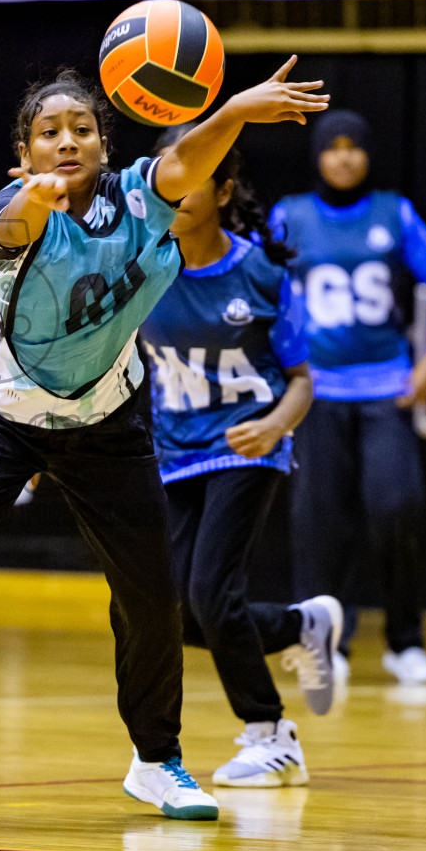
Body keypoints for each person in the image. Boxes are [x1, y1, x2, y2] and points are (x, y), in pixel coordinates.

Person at [0, 60, 329, 820]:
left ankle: (157, 761)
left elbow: (186, 162)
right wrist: (34, 200)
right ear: (25, 151)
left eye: (82, 128)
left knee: (153, 597)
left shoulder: (143, 198)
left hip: (105, 423)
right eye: (49, 132)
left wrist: (239, 108)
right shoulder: (12, 210)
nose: (67, 141)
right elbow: (9, 229)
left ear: (105, 146)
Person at [140, 126, 342, 789]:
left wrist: (274, 427)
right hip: (175, 453)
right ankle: (300, 625)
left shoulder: (260, 272)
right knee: (172, 611)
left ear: (225, 190)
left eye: (201, 176)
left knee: (211, 591)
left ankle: (271, 734)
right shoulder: (142, 268)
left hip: (247, 447)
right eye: (175, 173)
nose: (184, 187)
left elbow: (304, 380)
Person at [270, 110, 426, 685]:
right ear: (319, 156)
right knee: (317, 520)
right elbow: (265, 292)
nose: (345, 157)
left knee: (396, 506)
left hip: (387, 388)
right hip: (315, 392)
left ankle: (405, 640)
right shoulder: (289, 216)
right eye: (334, 147)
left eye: (355, 147)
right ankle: (324, 643)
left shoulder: (394, 213)